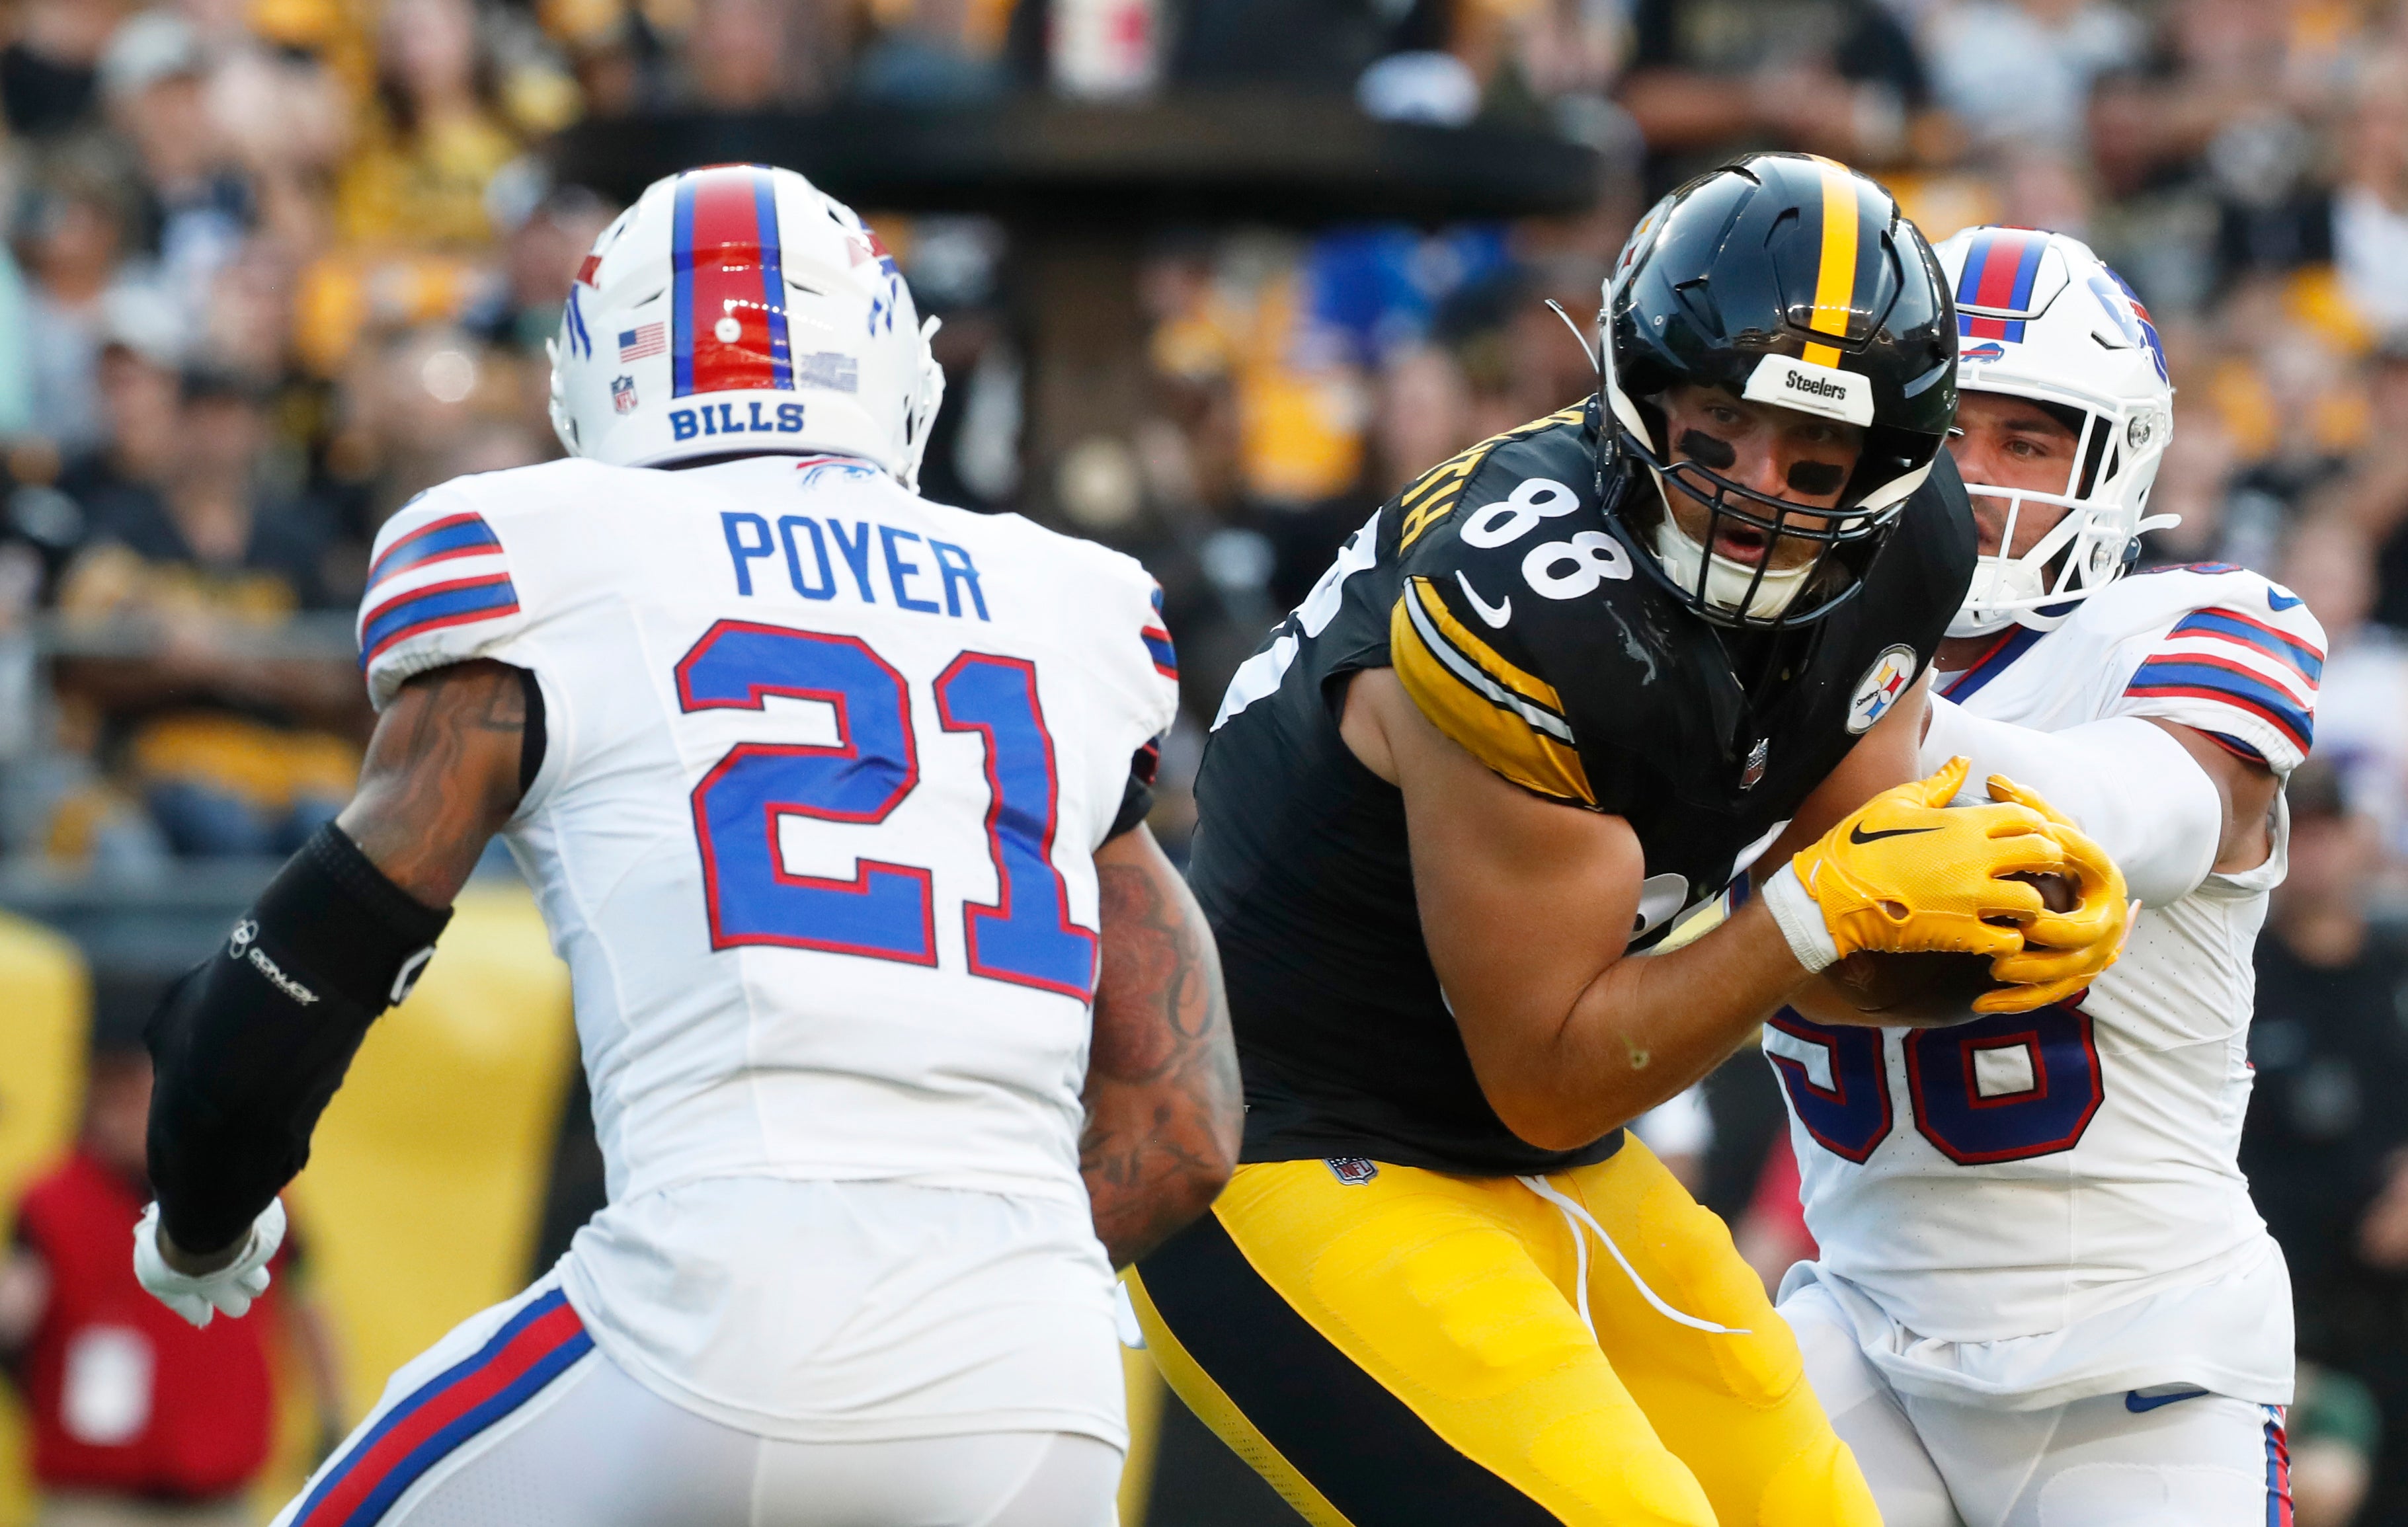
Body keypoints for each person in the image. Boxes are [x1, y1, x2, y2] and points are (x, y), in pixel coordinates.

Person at [126, 163, 1243, 1527]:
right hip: (1037, 1382)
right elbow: (1185, 1125)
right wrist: (953, 1303)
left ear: (597, 375)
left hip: (708, 1322)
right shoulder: (1069, 603)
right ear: (891, 360)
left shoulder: (553, 550)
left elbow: (316, 956)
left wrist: (203, 1207)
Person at [1127, 153, 2134, 1527]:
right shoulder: (1521, 602)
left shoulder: (1911, 548)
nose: (1757, 490)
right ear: (1643, 392)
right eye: (1722, 426)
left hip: (1550, 1154)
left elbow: (1829, 946)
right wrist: (1825, 908)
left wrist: (1976, 934)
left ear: (1893, 471)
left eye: (1816, 458)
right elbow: (1559, 1068)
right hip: (1306, 1143)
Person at [1769, 225, 2326, 1527]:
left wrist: (1817, 705)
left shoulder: (2199, 623)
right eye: (1949, 428)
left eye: (2030, 442)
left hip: (2141, 1373)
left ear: (2113, 464)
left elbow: (2148, 814)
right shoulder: (1761, 649)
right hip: (1856, 1331)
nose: (1975, 479)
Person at [0, 1031, 342, 1527]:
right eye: (110, 1094)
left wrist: (333, 1412)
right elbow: (18, 1303)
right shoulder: (52, 1199)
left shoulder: (252, 1196)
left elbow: (307, 1303)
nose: (119, 1111)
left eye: (137, 1094)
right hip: (94, 1491)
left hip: (219, 1485)